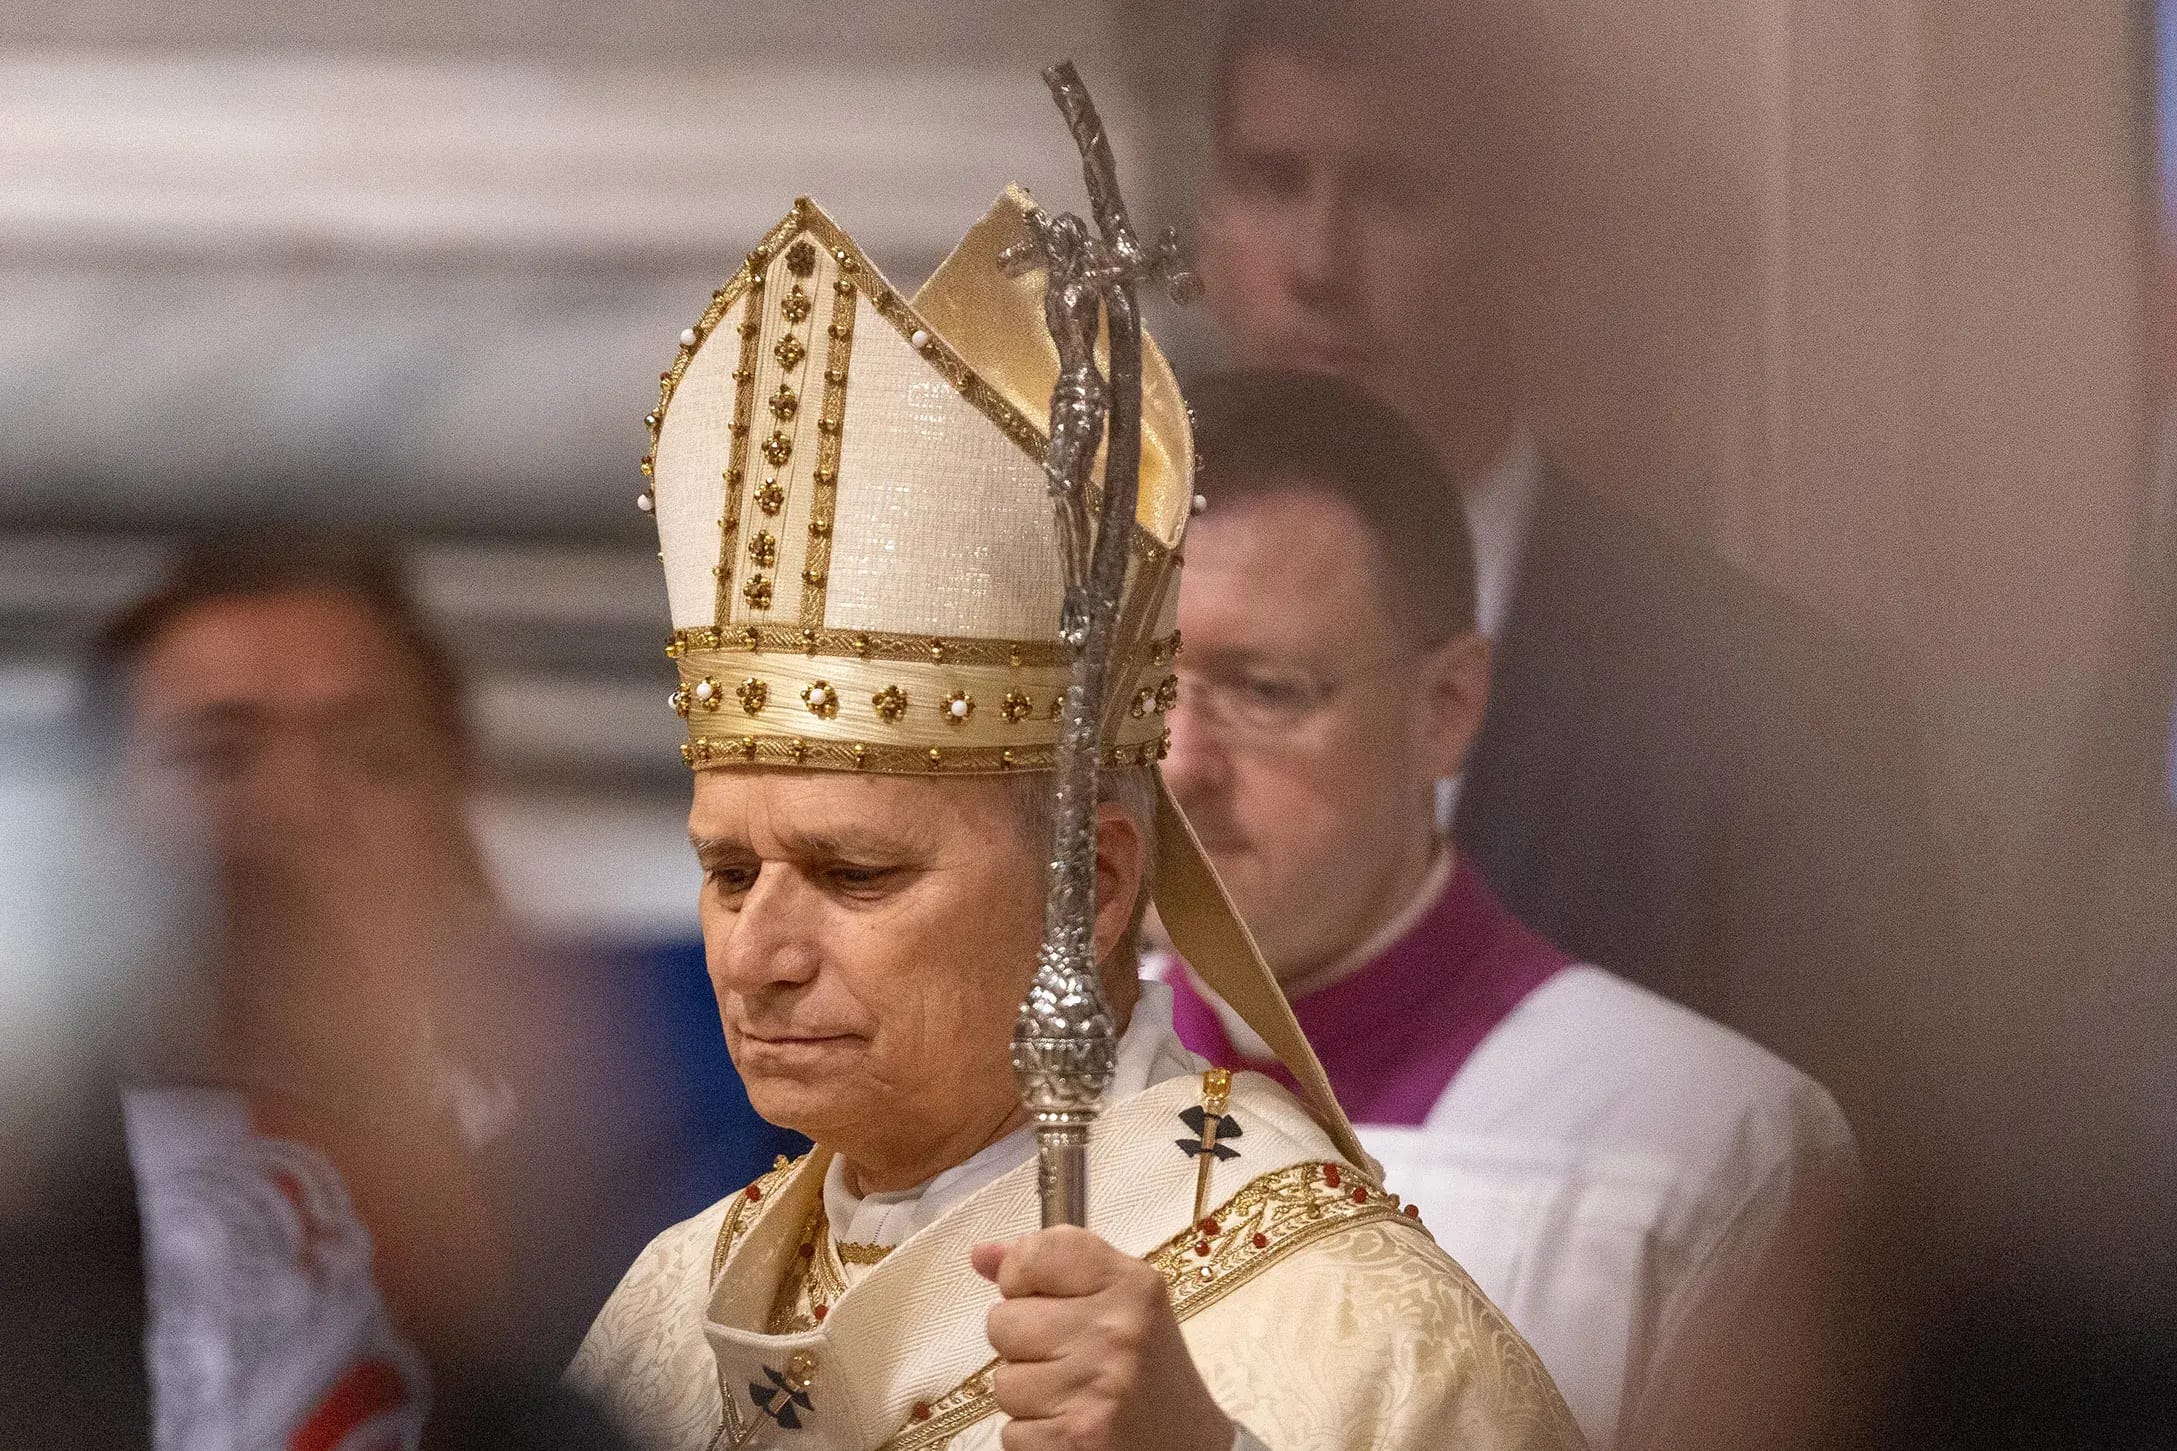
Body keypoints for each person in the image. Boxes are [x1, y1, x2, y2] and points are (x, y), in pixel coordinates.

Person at [566, 189, 1584, 1451]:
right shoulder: (667, 1302)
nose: (757, 954)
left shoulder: (1353, 1326)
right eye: (728, 870)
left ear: (1095, 882)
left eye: (855, 872)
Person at [1194, 0, 1952, 1130]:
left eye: (1394, 192)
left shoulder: (1781, 720)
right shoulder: (1067, 656)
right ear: (1205, 224)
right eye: (1271, 180)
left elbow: (1865, 1214)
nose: (1317, 265)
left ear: (1519, 234)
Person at [1154, 371, 1859, 1450]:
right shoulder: (1012, 1106)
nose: (1181, 763)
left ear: (1445, 708)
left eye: (1264, 690)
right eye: (1138, 686)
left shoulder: (1701, 1148)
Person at [87, 530, 725, 1448]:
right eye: (218, 756)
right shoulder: (37, 1214)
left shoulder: (644, 1177)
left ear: (459, 809)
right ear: (101, 821)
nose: (296, 808)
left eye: (368, 753)